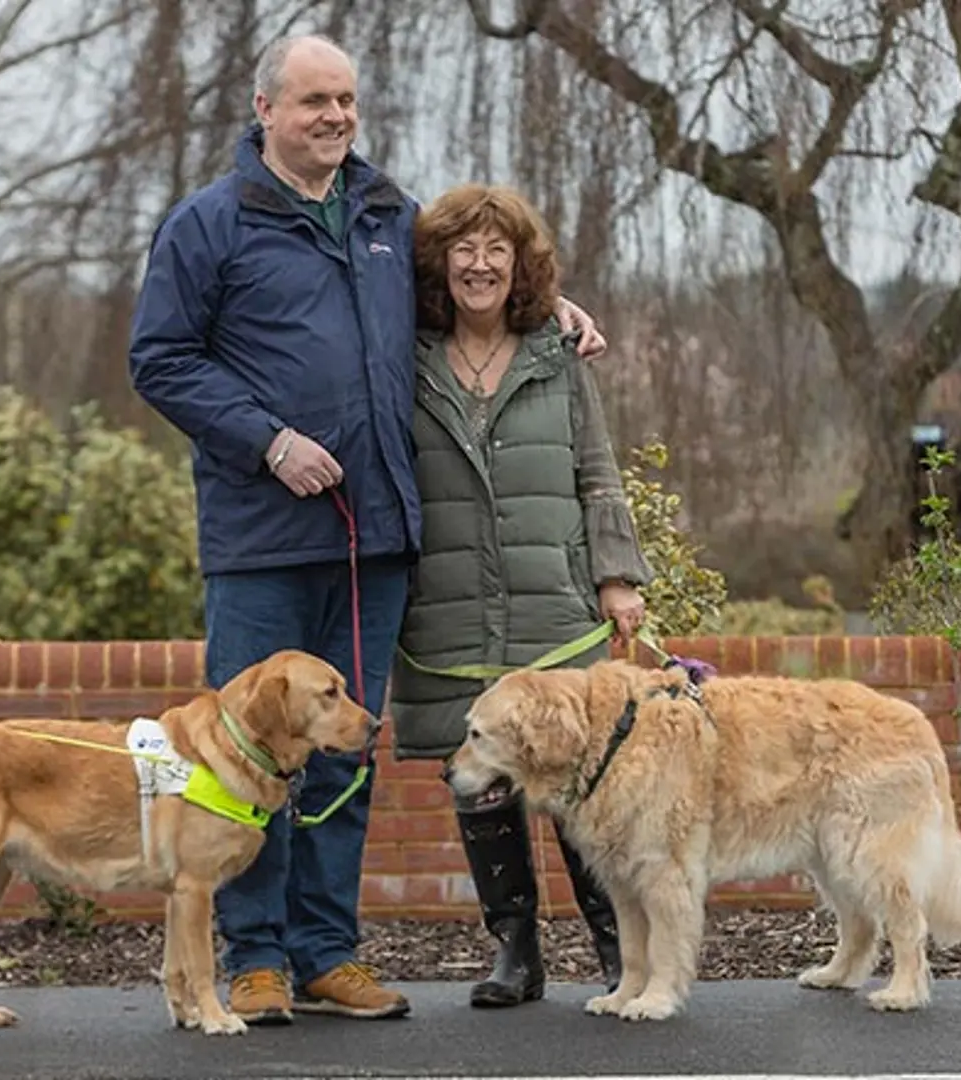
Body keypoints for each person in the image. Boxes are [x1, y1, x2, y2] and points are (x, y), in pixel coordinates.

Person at [126, 34, 605, 1026]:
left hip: (375, 538)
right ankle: (254, 956)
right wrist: (267, 442)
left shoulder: (392, 216)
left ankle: (326, 954)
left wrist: (554, 310)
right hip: (263, 539)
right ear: (265, 107)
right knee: (242, 756)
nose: (336, 118)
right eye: (315, 102)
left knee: (343, 753)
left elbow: (474, 291)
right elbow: (161, 359)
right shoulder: (210, 224)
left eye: (347, 100)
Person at [388, 183, 653, 1008]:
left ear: (520, 264)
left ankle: (615, 944)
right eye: (463, 249)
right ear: (438, 263)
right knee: (479, 777)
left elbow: (596, 470)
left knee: (579, 773)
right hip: (447, 604)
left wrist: (615, 577)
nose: (479, 264)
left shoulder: (556, 353)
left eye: (496, 249)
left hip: (551, 598)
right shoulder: (403, 356)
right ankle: (515, 950)